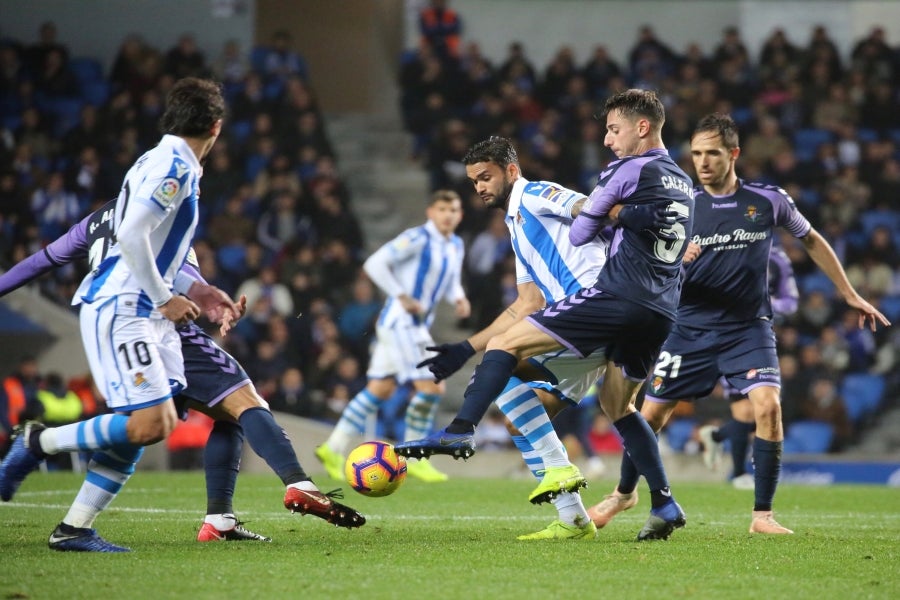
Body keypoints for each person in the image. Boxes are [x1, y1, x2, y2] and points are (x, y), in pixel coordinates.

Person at [0, 78, 365, 551]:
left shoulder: (150, 168)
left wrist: (204, 292)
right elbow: (134, 235)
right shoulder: (174, 167)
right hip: (128, 306)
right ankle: (38, 443)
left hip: (147, 314)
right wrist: (165, 296)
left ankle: (76, 527)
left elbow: (61, 255)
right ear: (216, 126)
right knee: (159, 422)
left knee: (149, 424)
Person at [398, 89, 695, 542]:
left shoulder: (536, 194)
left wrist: (622, 212)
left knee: (506, 360)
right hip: (633, 310)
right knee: (574, 405)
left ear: (511, 171)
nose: (479, 187)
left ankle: (462, 432)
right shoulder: (518, 233)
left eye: (485, 177)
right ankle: (611, 508)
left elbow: (584, 207)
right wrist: (463, 348)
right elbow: (525, 305)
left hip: (599, 303)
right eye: (473, 180)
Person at [590, 113, 889, 536]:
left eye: (712, 153)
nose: (703, 162)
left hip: (747, 328)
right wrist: (677, 261)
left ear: (734, 153)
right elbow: (644, 262)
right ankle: (624, 493)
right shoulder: (681, 206)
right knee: (650, 415)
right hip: (687, 327)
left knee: (768, 407)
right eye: (696, 154)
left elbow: (812, 239)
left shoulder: (767, 200)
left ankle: (762, 516)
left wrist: (849, 292)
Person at [315, 190, 470, 484]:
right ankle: (416, 457)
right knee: (433, 386)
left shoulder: (455, 244)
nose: (448, 214)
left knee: (380, 390)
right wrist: (400, 295)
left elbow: (450, 279)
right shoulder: (417, 238)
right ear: (430, 212)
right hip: (403, 322)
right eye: (442, 208)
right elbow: (374, 264)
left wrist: (459, 297)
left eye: (454, 209)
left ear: (460, 215)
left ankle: (332, 448)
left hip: (406, 325)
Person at [698, 244, 799, 489]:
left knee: (763, 410)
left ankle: (716, 436)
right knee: (744, 411)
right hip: (729, 336)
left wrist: (765, 303)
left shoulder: (777, 258)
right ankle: (739, 474)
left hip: (764, 340)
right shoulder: (724, 249)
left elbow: (790, 301)